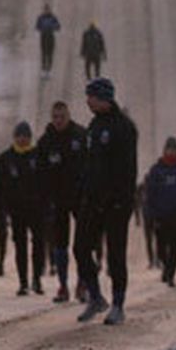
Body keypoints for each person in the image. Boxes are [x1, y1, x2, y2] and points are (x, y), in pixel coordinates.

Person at [74, 77, 138, 326]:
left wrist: (120, 198)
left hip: (116, 203)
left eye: (91, 96)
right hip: (92, 200)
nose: (87, 101)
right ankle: (95, 296)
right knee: (80, 247)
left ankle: (118, 303)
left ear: (103, 98)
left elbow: (126, 169)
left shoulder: (123, 127)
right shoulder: (94, 126)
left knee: (116, 254)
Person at [36, 101, 87, 303]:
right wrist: (43, 199)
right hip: (56, 200)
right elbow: (39, 174)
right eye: (55, 117)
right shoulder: (45, 142)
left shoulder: (81, 136)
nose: (58, 120)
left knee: (83, 243)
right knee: (59, 245)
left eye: (61, 116)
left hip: (80, 198)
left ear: (68, 115)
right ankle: (63, 285)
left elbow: (91, 165)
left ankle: (83, 283)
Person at [0, 122, 46, 296]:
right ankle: (23, 282)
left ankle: (37, 279)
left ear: (30, 137)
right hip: (16, 210)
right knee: (20, 246)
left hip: (37, 209)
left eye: (25, 135)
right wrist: (2, 208)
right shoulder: (5, 158)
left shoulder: (39, 155)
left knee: (39, 244)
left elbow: (47, 181)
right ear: (14, 137)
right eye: (19, 135)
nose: (22, 139)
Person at [145, 138, 176, 287]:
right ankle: (166, 265)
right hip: (160, 215)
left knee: (174, 246)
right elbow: (150, 192)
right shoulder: (157, 170)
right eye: (169, 149)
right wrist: (151, 212)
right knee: (160, 247)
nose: (171, 152)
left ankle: (170, 273)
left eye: (173, 150)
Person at [35, 5, 61, 77]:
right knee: (44, 53)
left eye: (48, 10)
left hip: (50, 37)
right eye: (45, 10)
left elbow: (58, 27)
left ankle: (49, 70)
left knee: (50, 54)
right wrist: (42, 28)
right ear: (44, 10)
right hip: (43, 37)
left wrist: (53, 27)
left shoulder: (53, 17)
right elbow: (37, 27)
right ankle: (43, 70)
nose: (46, 11)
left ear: (49, 10)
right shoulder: (40, 17)